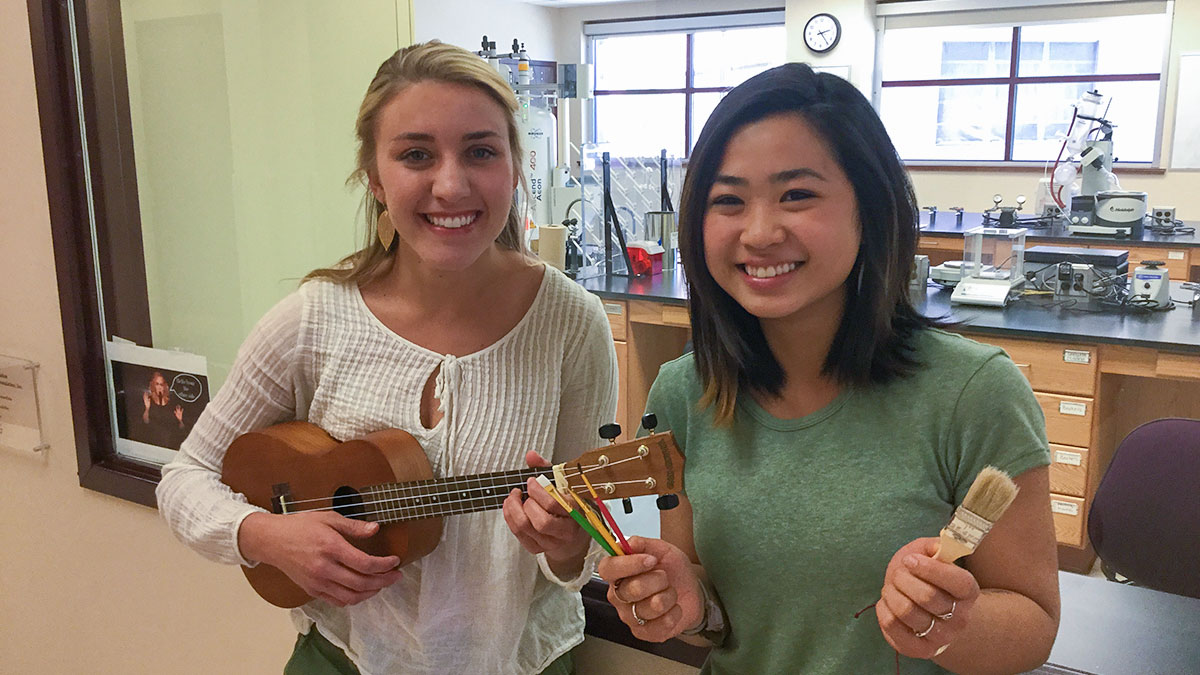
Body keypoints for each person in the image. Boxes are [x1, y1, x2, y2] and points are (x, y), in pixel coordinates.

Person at [156, 40, 616, 675]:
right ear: (374, 177)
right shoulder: (312, 320)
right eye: (416, 155)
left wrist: (567, 546)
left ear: (516, 168)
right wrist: (265, 536)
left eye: (481, 151)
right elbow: (183, 482)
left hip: (517, 661)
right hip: (345, 659)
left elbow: (588, 529)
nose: (450, 185)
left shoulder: (572, 323)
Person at [596, 63, 1060, 674]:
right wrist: (687, 605)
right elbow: (711, 624)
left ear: (868, 209)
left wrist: (949, 624)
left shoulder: (972, 393)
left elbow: (1034, 625)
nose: (759, 232)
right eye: (728, 200)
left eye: (797, 195)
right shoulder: (685, 392)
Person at [141, 370, 186, 448]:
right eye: (157, 384)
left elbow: (181, 428)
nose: (159, 387)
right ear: (153, 385)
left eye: (161, 384)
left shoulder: (173, 403)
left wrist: (180, 420)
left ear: (165, 386)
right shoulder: (148, 400)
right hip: (153, 442)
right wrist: (147, 408)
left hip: (170, 442)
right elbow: (145, 422)